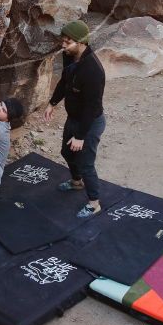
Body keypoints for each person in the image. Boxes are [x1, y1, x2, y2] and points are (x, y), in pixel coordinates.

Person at [44, 20, 106, 218]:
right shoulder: (69, 56)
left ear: (81, 42)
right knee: (67, 152)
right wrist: (52, 103)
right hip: (73, 118)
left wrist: (80, 136)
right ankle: (76, 182)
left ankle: (94, 203)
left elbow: (91, 108)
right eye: (63, 40)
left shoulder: (94, 71)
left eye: (67, 41)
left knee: (86, 163)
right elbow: (64, 81)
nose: (63, 45)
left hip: (90, 123)